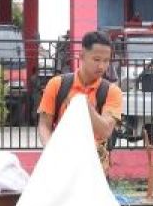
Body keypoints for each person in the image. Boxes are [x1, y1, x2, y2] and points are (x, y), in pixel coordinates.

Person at [37, 31, 123, 171]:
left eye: (106, 60)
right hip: (61, 164)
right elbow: (44, 125)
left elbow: (106, 131)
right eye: (96, 59)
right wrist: (50, 150)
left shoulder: (112, 92)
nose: (102, 66)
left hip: (95, 169)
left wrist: (84, 105)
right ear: (82, 56)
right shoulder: (57, 85)